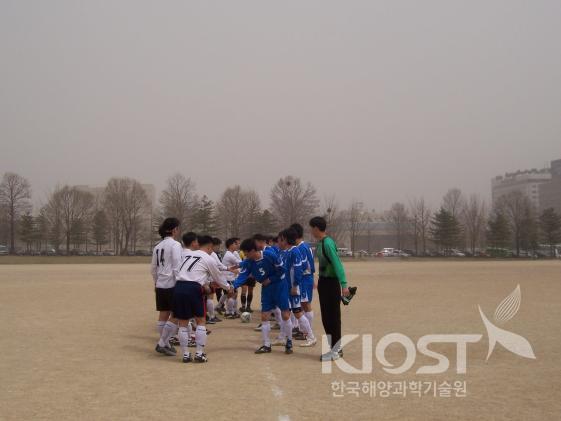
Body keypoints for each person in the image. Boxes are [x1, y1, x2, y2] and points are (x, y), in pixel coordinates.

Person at [173, 235, 232, 363]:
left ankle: (185, 355)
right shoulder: (208, 258)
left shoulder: (187, 256)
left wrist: (204, 282)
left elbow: (181, 272)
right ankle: (199, 354)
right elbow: (218, 277)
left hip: (178, 287)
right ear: (209, 246)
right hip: (193, 288)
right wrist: (228, 287)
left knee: (182, 322)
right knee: (201, 320)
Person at [233, 238, 293, 355]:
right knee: (264, 315)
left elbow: (282, 270)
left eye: (246, 252)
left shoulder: (270, 255)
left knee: (285, 314)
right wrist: (233, 286)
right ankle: (266, 344)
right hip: (267, 289)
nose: (245, 255)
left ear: (253, 250)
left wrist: (270, 279)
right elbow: (243, 275)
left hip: (280, 286)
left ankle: (289, 341)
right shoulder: (250, 262)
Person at [309, 216, 350, 361]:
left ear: (316, 228)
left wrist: (344, 284)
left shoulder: (327, 243)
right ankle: (334, 349)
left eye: (311, 228)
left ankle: (337, 350)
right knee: (326, 318)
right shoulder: (320, 243)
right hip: (324, 283)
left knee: (333, 318)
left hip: (331, 284)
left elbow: (337, 264)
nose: (310, 231)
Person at [272, 228, 317, 348]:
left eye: (279, 240)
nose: (278, 243)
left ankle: (311, 337)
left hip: (294, 288)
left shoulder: (295, 251)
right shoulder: (285, 252)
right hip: (286, 288)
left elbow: (299, 269)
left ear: (285, 240)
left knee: (297, 312)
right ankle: (282, 337)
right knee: (285, 312)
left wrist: (295, 285)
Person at [152, 218, 182, 356]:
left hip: (160, 284)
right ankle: (162, 343)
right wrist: (180, 282)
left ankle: (166, 343)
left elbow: (153, 268)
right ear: (174, 229)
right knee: (176, 314)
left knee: (163, 314)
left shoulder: (157, 246)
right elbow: (177, 266)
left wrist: (156, 282)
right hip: (172, 284)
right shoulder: (175, 245)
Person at [290, 223, 317, 345]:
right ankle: (304, 330)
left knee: (305, 305)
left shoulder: (301, 248)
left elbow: (306, 266)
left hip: (305, 279)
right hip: (307, 278)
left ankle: (306, 332)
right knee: (304, 305)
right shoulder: (306, 246)